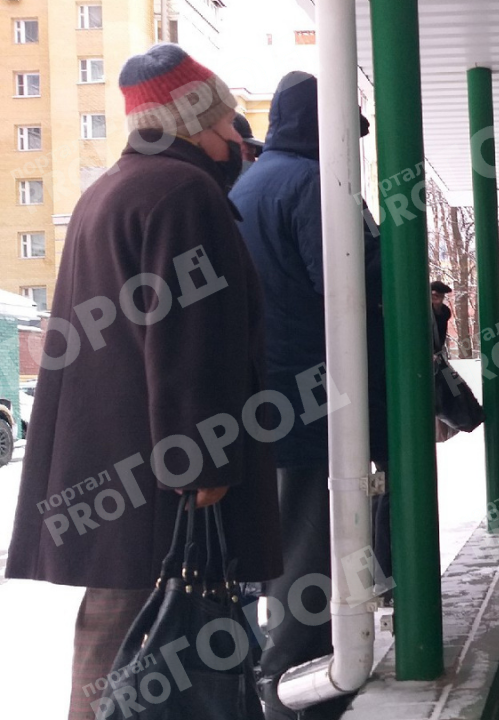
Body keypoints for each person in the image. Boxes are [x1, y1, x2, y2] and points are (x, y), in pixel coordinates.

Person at [3, 43, 283, 720]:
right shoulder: (184, 194)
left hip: (116, 461)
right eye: (227, 122)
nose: (237, 138)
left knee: (119, 628)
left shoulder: (110, 190)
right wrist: (203, 460)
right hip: (161, 472)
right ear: (197, 121)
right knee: (150, 633)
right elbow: (190, 339)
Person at [230, 71, 387, 720]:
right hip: (313, 406)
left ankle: (289, 682)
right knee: (309, 558)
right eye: (347, 132)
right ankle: (293, 694)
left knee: (288, 559)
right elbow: (346, 291)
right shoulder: (315, 187)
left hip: (269, 405)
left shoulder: (251, 184)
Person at [430, 280, 453, 354]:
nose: (436, 298)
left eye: (438, 295)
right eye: (433, 295)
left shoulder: (444, 312)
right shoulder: (423, 313)